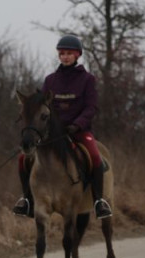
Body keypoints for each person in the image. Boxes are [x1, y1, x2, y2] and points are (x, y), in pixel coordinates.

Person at [12, 34, 113, 220]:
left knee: (95, 156)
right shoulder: (51, 80)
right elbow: (41, 106)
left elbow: (91, 107)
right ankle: (27, 199)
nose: (65, 56)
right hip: (52, 133)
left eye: (69, 53)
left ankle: (99, 201)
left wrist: (77, 125)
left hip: (79, 131)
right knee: (22, 159)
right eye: (62, 53)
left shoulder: (87, 79)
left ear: (77, 56)